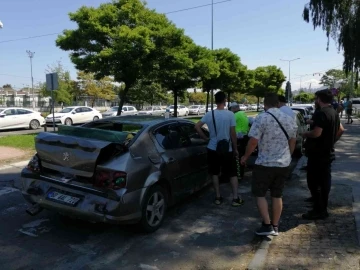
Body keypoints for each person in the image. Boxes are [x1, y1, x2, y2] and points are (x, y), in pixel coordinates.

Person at [241, 93, 297, 236]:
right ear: (278, 103)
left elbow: (253, 141)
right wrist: (288, 156)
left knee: (260, 194)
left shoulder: (262, 118)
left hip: (265, 164)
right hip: (283, 164)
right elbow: (293, 140)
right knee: (277, 195)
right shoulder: (289, 119)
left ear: (264, 104)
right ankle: (276, 226)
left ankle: (267, 225)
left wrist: (246, 156)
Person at [195, 91, 244, 207]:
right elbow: (233, 134)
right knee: (232, 174)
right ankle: (235, 198)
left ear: (215, 101)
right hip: (227, 149)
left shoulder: (209, 114)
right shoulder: (230, 115)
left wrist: (205, 138)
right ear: (225, 100)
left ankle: (218, 197)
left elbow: (196, 126)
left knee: (215, 173)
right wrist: (236, 149)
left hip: (212, 147)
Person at [301, 90, 344, 220]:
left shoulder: (321, 113)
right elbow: (341, 129)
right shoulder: (333, 112)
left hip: (317, 154)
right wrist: (331, 142)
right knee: (324, 182)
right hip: (327, 153)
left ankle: (319, 210)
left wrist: (304, 134)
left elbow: (317, 133)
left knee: (314, 182)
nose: (315, 100)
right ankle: (321, 206)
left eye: (316, 98)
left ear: (319, 99)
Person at [229, 102, 249, 180]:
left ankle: (238, 175)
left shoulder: (235, 115)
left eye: (230, 109)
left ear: (233, 108)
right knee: (242, 156)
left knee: (237, 157)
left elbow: (230, 125)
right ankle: (241, 173)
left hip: (238, 139)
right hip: (244, 137)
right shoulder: (243, 113)